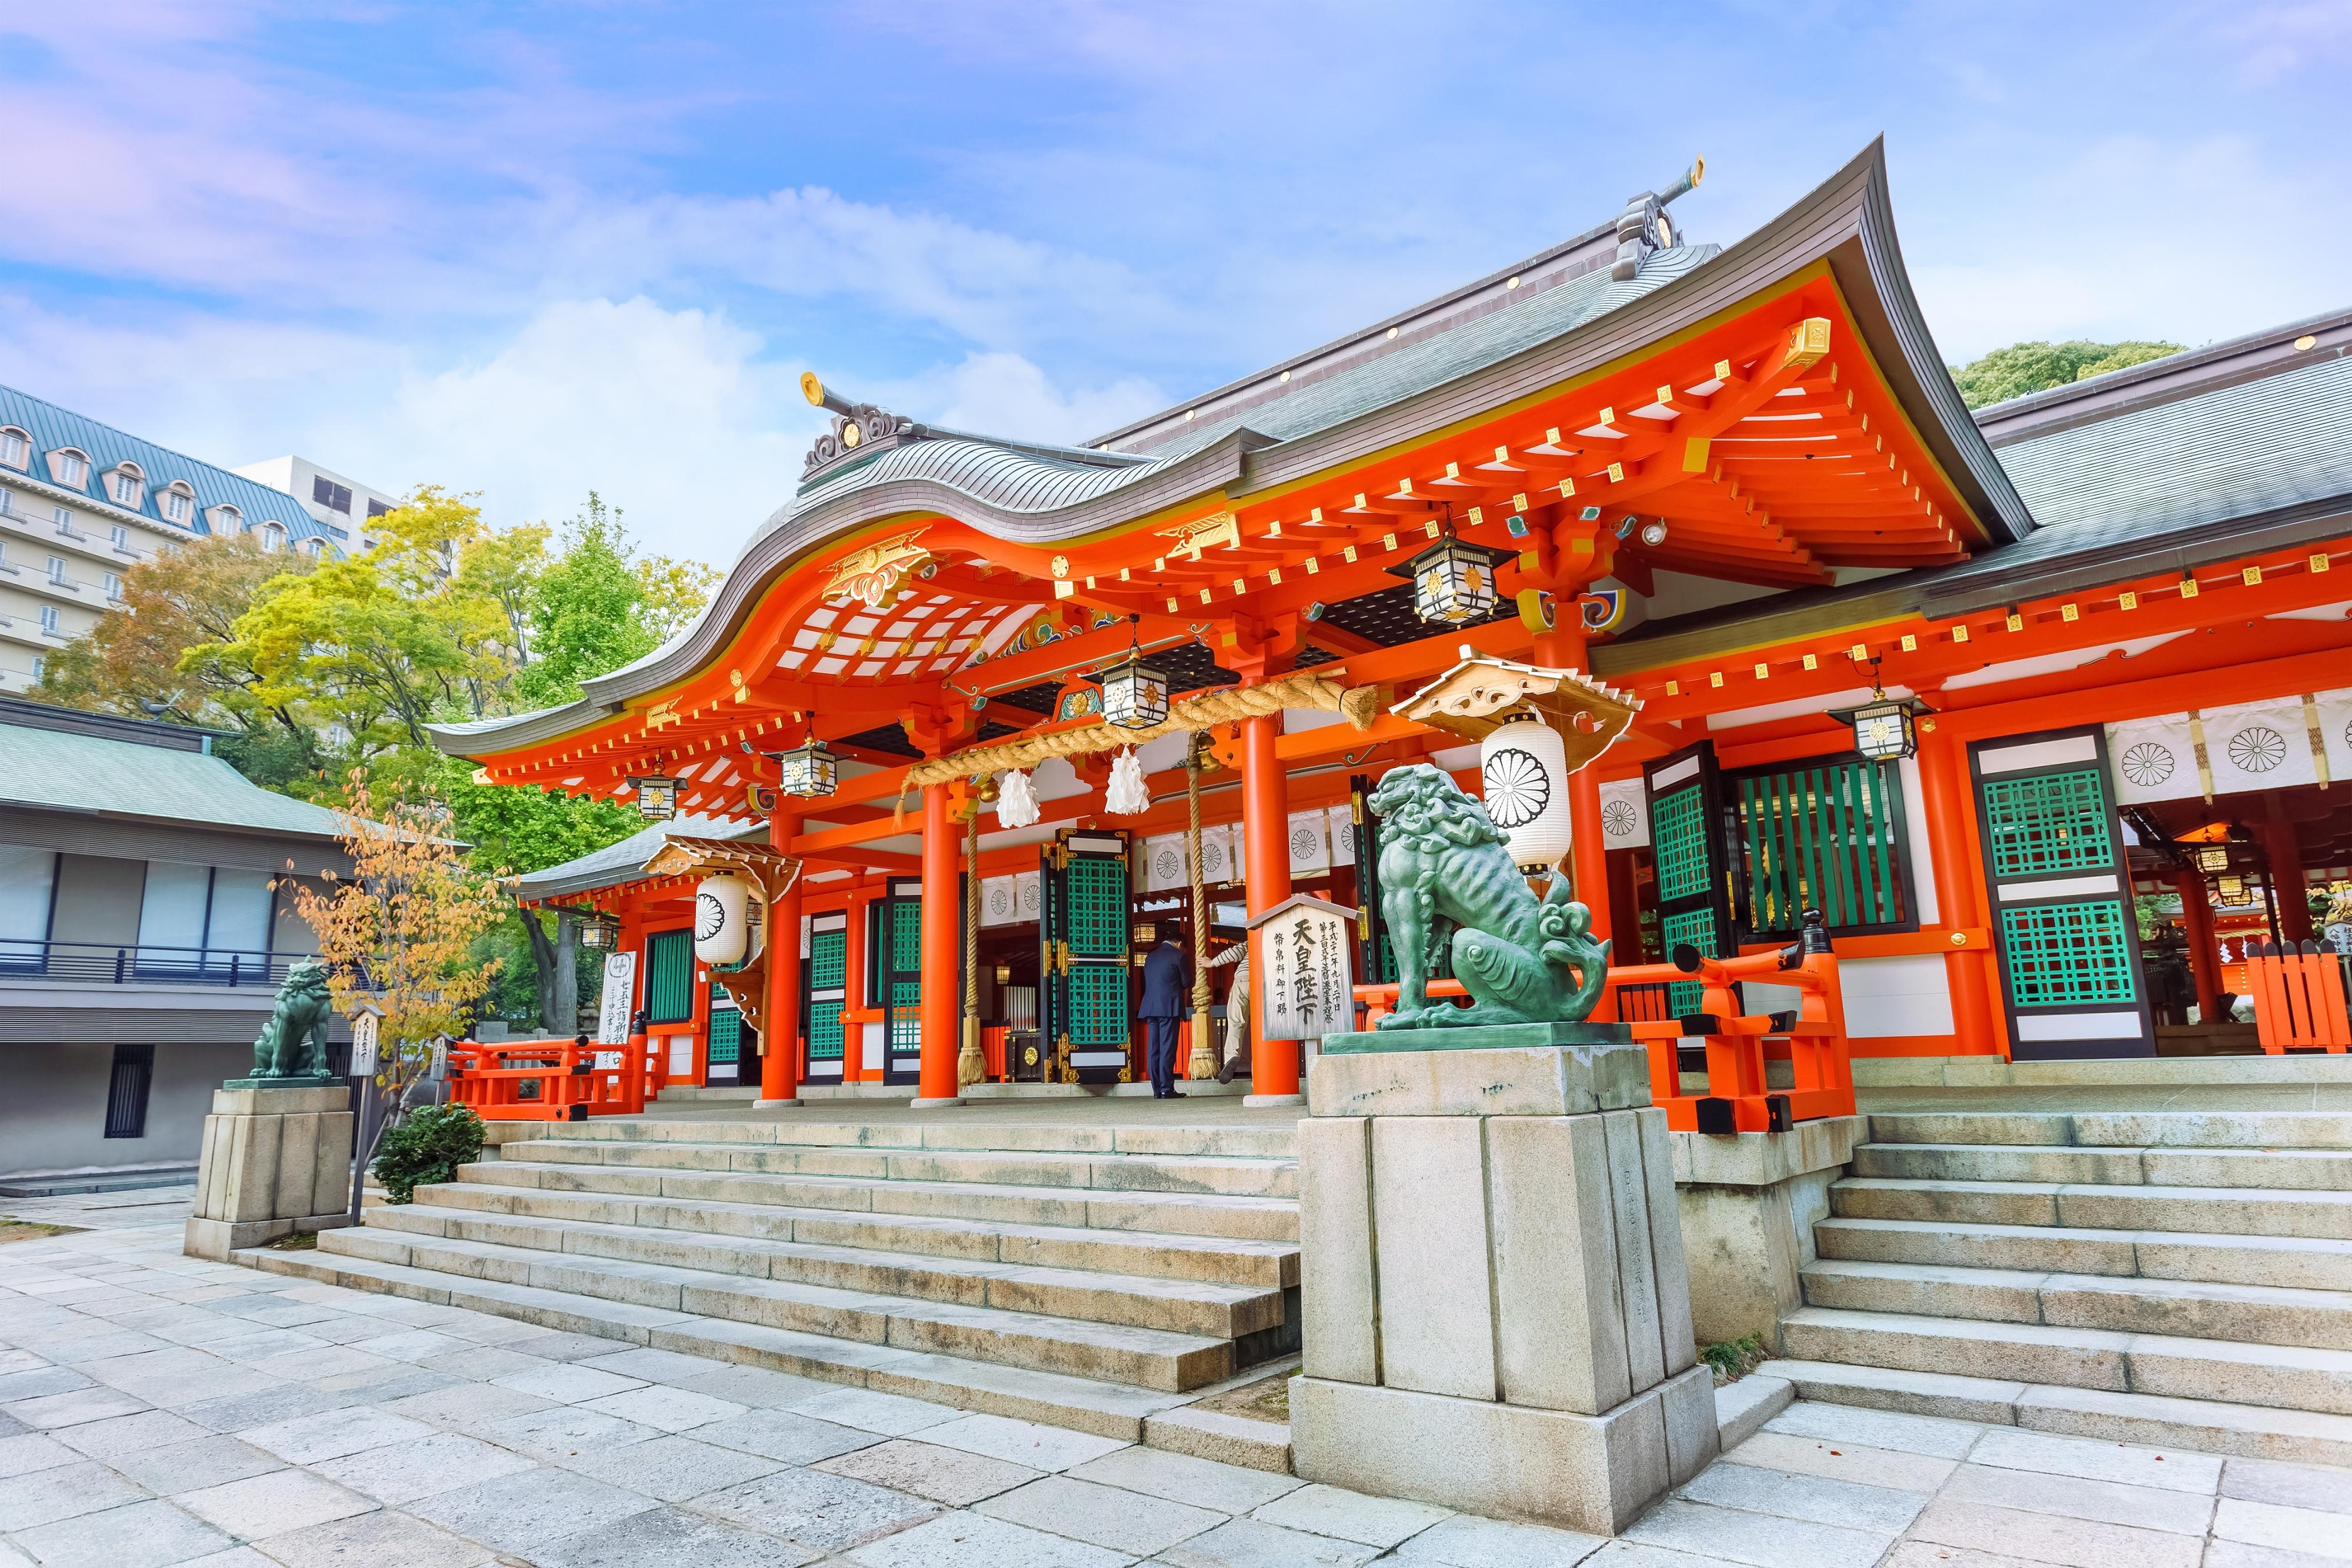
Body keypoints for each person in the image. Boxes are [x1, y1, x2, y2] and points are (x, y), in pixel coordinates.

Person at [1139, 937, 1190, 1098]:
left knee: (1154, 1049)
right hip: (1169, 1007)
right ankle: (1166, 1089)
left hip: (1150, 1006)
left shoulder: (1150, 956)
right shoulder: (1178, 956)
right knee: (1167, 1049)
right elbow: (1186, 982)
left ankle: (1157, 1090)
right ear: (1180, 944)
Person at [1212, 942, 1250, 1085]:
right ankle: (1259, 1068)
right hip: (1267, 980)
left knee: (1236, 1023)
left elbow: (1235, 953)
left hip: (1242, 980)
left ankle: (1232, 1057)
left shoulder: (1255, 934)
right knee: (1263, 1028)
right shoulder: (1283, 936)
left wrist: (1212, 963)